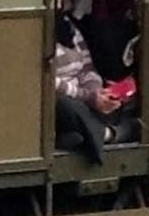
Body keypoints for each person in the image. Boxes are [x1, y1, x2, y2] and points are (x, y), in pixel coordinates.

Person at [53, 10, 139, 161]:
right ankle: (107, 134)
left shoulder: (68, 25)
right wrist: (88, 96)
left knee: (117, 97)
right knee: (66, 104)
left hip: (83, 94)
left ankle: (75, 137)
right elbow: (48, 81)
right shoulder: (33, 27)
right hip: (58, 98)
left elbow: (87, 67)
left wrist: (96, 91)